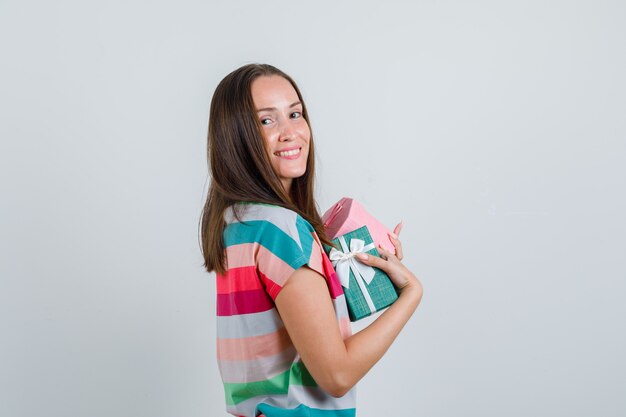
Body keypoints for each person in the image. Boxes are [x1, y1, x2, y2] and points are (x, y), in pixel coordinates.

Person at [199, 63, 423, 417]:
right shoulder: (283, 229)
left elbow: (295, 332)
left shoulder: (236, 221)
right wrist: (410, 294)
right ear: (236, 136)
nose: (290, 132)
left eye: (295, 113)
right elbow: (336, 374)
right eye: (266, 121)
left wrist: (351, 270)